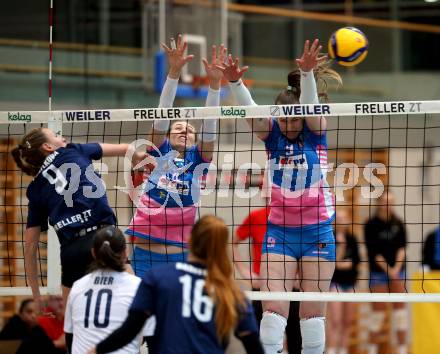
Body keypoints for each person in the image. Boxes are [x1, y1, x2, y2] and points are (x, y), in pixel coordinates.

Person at [219, 39, 341, 354]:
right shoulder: (271, 134)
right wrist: (235, 81)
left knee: (312, 314)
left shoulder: (316, 133)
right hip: (280, 232)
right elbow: (252, 113)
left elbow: (312, 107)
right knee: (273, 311)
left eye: (293, 118)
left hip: (318, 232)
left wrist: (308, 74)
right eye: (283, 119)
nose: (287, 125)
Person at [88, 215, 263, 354]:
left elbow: (130, 329)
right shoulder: (231, 292)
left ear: (190, 240)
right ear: (221, 248)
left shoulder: (157, 278)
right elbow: (253, 345)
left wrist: (97, 349)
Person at [126, 35, 225, 278]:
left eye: (190, 129)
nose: (184, 130)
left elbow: (210, 123)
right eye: (178, 127)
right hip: (145, 253)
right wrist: (173, 73)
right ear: (168, 135)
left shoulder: (200, 159)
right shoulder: (157, 152)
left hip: (180, 254)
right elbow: (162, 116)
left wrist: (214, 85)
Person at [11, 127, 144, 308]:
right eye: (57, 136)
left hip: (71, 250)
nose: (63, 137)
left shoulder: (35, 188)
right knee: (137, 305)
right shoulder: (72, 150)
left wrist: (36, 295)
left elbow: (30, 246)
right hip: (103, 236)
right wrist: (138, 157)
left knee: (71, 324)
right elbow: (125, 148)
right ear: (48, 146)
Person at [64, 226, 148, 354]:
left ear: (93, 253)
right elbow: (143, 338)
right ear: (125, 254)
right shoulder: (138, 287)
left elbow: (69, 338)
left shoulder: (77, 287)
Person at [233, 199, 302, 354]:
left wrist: (302, 275)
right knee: (261, 341)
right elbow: (232, 243)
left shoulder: (297, 217)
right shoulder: (256, 216)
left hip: (292, 290)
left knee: (296, 341)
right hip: (262, 289)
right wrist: (246, 273)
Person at [364, 190, 407, 354]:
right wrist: (390, 270)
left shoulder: (398, 223)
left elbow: (402, 248)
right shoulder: (371, 224)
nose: (388, 205)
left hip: (398, 272)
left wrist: (396, 268)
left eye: (391, 202)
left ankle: (402, 349)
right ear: (379, 203)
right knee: (378, 314)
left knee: (400, 313)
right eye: (385, 202)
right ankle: (372, 349)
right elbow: (374, 253)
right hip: (378, 274)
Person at [327, 209, 360, 354]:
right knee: (335, 321)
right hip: (336, 284)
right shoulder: (330, 237)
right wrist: (341, 248)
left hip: (351, 284)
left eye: (344, 218)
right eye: (338, 218)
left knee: (347, 322)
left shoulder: (352, 238)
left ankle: (344, 350)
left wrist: (342, 263)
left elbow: (356, 262)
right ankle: (332, 349)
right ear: (334, 221)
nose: (341, 221)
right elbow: (333, 263)